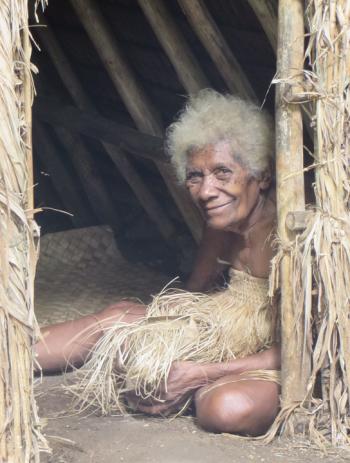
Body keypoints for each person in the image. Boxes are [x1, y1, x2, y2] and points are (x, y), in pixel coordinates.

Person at [35, 90, 281, 437]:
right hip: (223, 335)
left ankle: (192, 388)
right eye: (195, 176)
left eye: (223, 172)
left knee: (225, 408)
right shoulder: (222, 222)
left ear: (263, 176)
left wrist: (200, 372)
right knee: (118, 319)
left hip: (275, 357)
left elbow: (307, 348)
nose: (206, 190)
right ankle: (15, 354)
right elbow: (194, 294)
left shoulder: (292, 239)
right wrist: (160, 338)